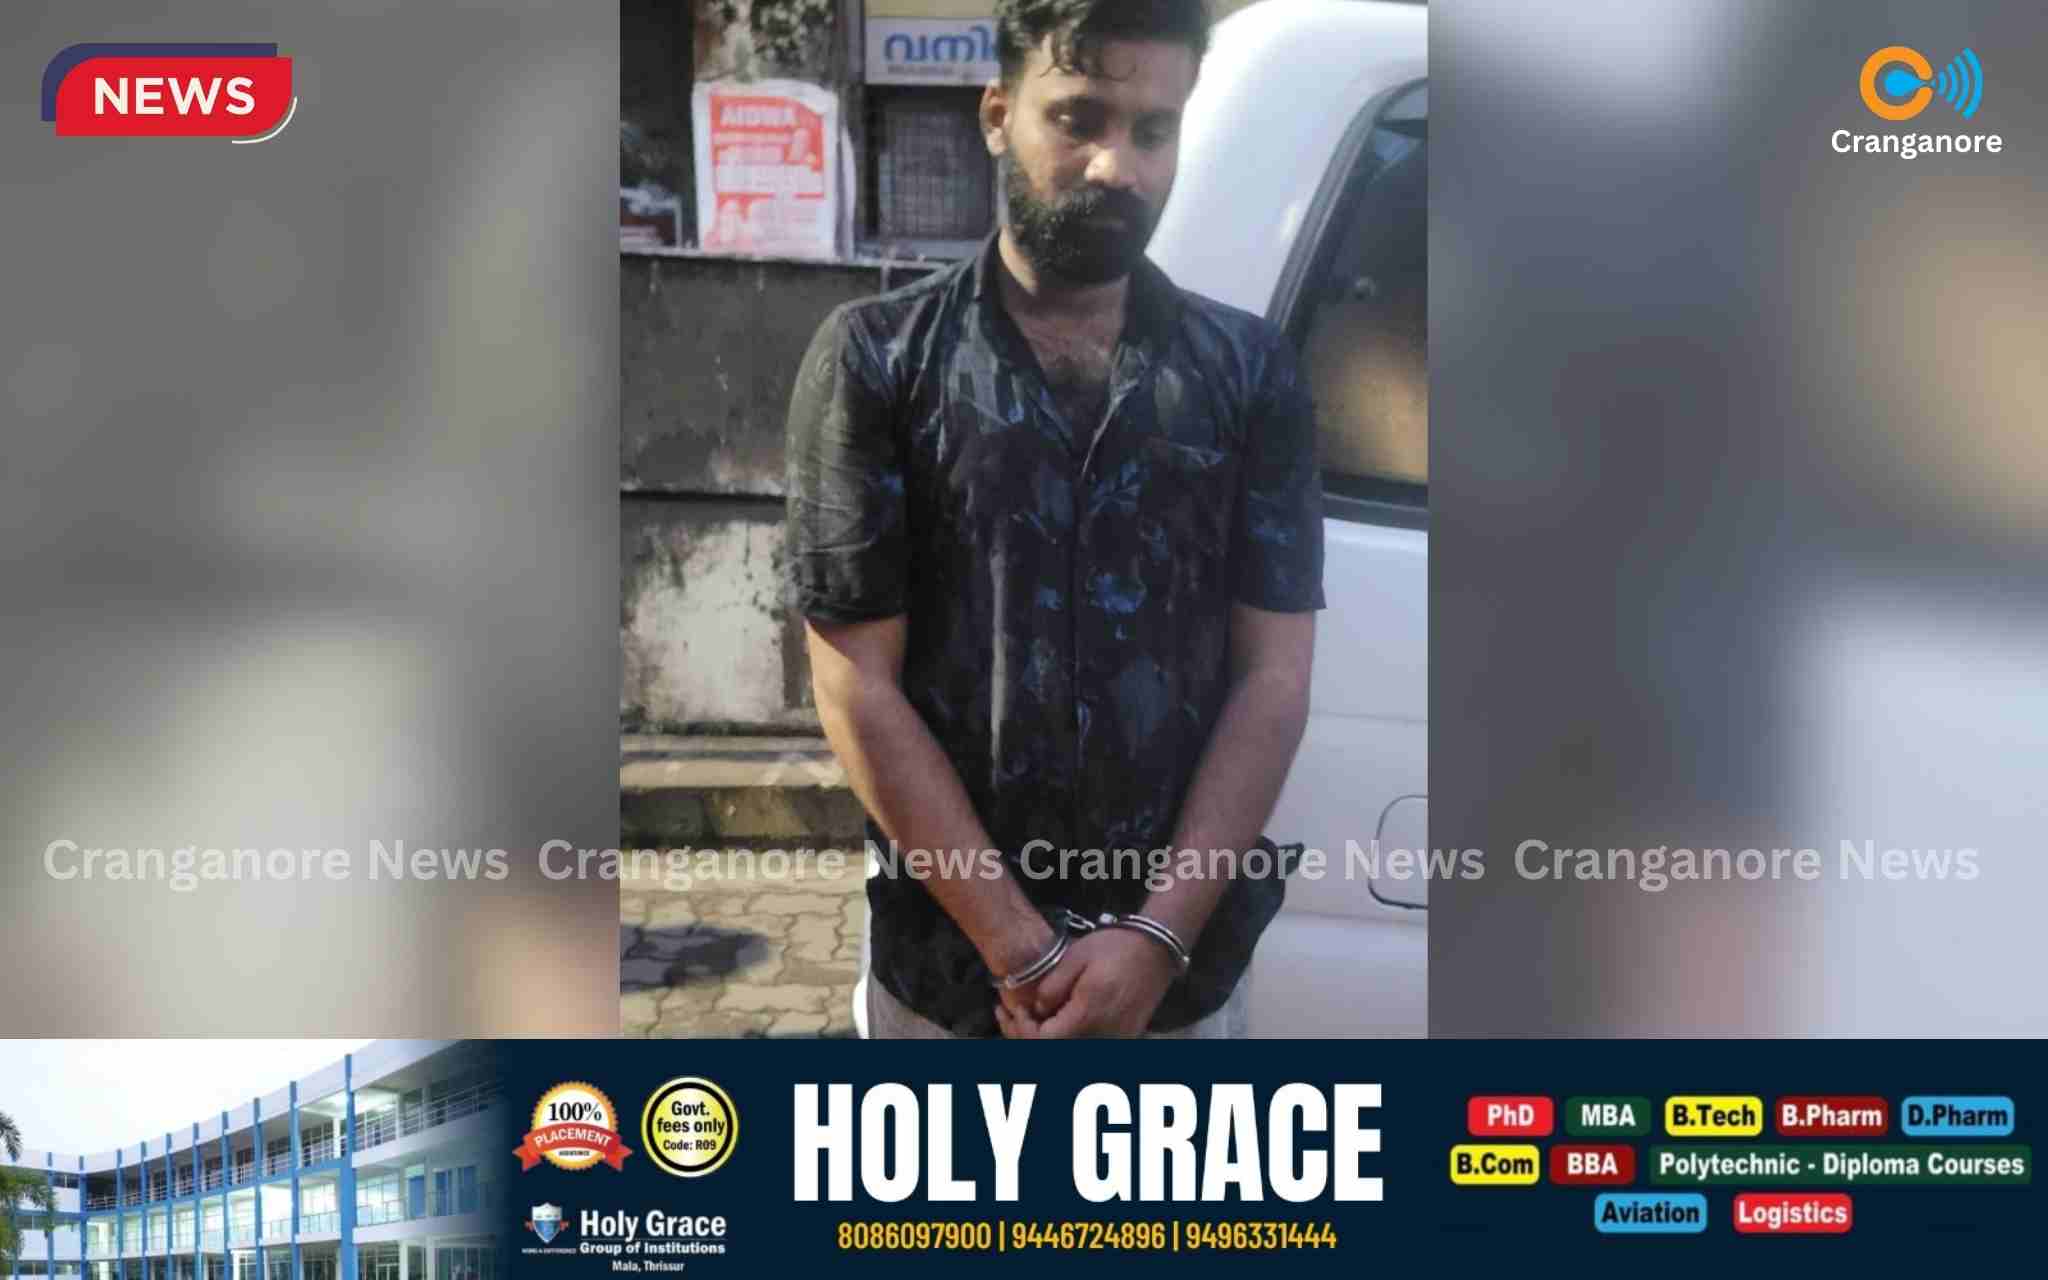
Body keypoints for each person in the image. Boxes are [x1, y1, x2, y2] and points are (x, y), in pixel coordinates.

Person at [784, 0, 1323, 1039]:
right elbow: (856, 683)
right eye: (1077, 118)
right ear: (997, 114)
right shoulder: (879, 360)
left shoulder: (1249, 374)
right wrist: (1019, 949)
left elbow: (1274, 676)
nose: (1117, 166)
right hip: (954, 984)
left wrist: (1156, 939)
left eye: (1153, 130)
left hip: (1174, 987)